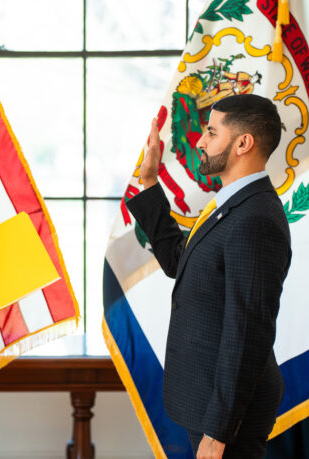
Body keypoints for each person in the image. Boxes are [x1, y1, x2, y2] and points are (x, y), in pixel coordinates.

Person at [127, 94, 292, 459]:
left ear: (242, 143)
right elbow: (178, 262)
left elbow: (248, 333)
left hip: (229, 415)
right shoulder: (233, 203)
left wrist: (218, 433)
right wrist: (151, 182)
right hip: (207, 398)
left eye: (211, 132)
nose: (200, 141)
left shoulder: (255, 219)